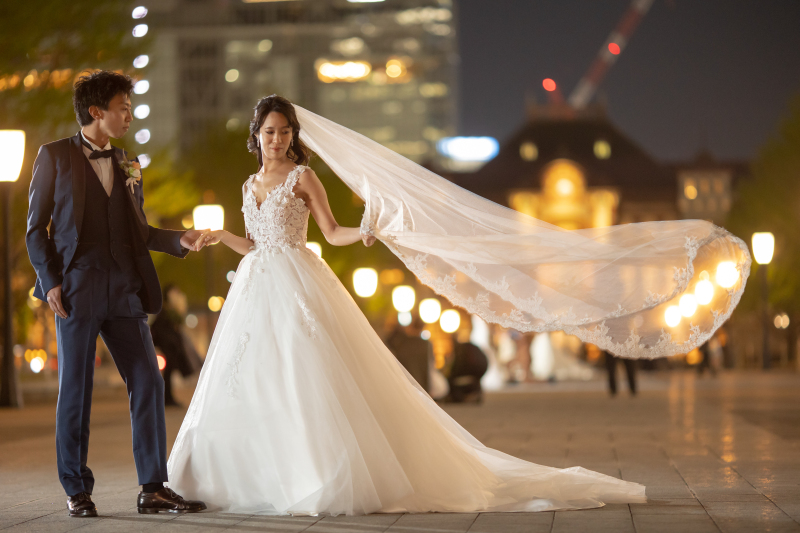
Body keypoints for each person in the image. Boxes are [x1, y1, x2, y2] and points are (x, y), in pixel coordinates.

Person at [166, 95, 646, 515]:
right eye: (269, 132)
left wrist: (369, 231)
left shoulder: (303, 177)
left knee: (303, 371)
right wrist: (218, 237)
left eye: (284, 131)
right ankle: (254, 474)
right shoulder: (249, 186)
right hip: (256, 285)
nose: (277, 139)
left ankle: (314, 473)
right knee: (254, 377)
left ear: (294, 135)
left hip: (297, 279)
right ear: (257, 136)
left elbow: (331, 233)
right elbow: (254, 245)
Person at [25, 71, 206, 517]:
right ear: (96, 111)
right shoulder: (54, 157)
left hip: (124, 289)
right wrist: (50, 282)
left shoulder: (129, 162)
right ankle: (77, 489)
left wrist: (179, 240)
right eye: (123, 107)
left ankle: (153, 487)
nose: (129, 114)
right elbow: (35, 230)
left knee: (148, 378)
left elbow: (138, 230)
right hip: (76, 290)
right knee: (76, 389)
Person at [150, 285, 200, 407]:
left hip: (170, 346)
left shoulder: (170, 311)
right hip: (168, 346)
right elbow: (161, 330)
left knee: (169, 373)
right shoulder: (165, 311)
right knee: (168, 373)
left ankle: (168, 398)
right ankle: (167, 399)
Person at [385, 318, 433, 393]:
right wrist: (428, 389)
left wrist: (398, 327)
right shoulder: (425, 344)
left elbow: (389, 342)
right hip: (420, 384)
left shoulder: (403, 342)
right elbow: (427, 367)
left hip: (404, 381)